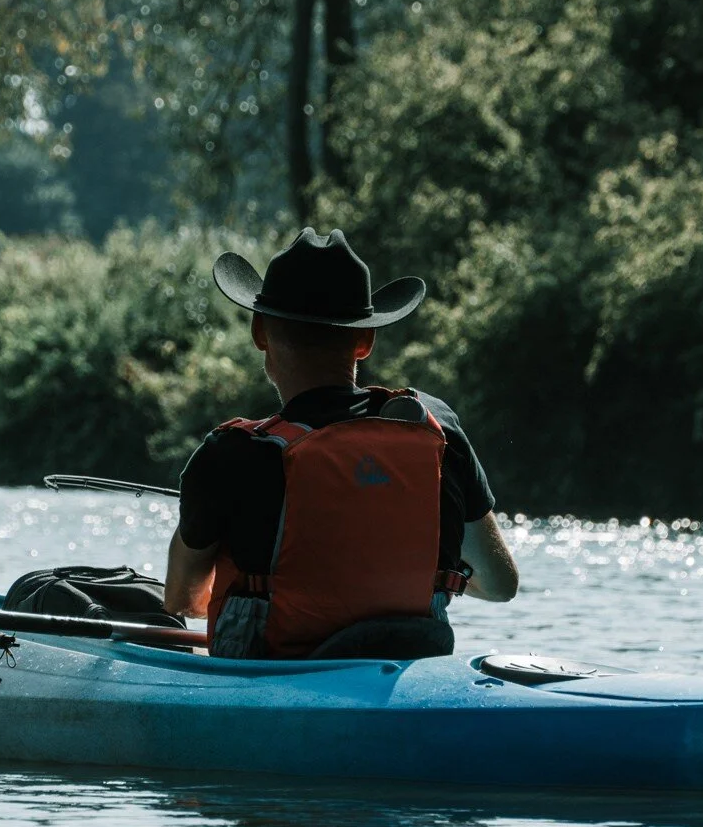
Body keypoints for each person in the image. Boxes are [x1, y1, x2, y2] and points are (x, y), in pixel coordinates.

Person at [163, 228, 519, 659]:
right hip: (406, 683)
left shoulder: (229, 454)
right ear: (365, 341)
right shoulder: (437, 428)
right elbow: (501, 585)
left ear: (260, 333)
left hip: (275, 687)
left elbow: (183, 601)